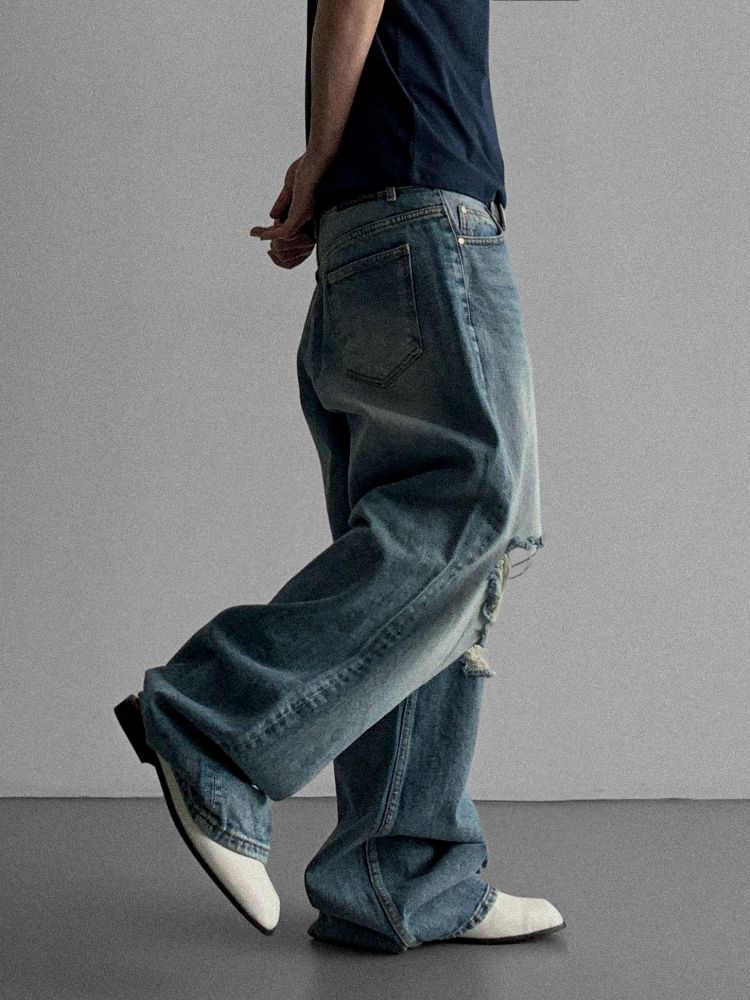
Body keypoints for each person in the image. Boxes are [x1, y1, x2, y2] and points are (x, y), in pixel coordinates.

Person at [114, 0, 565, 953]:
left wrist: (328, 166)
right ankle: (214, 726)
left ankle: (398, 874)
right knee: (471, 513)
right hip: (428, 215)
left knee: (419, 547)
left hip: (383, 224)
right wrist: (324, 155)